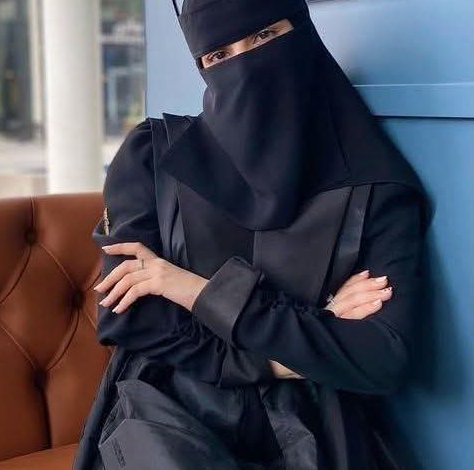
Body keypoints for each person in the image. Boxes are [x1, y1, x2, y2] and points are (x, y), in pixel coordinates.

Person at [73, 1, 433, 469]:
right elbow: (129, 321)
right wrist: (299, 342)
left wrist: (192, 290)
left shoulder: (374, 187)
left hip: (315, 433)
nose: (244, 63)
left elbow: (383, 358)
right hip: (165, 420)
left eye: (263, 36)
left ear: (302, 32)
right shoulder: (152, 158)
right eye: (219, 55)